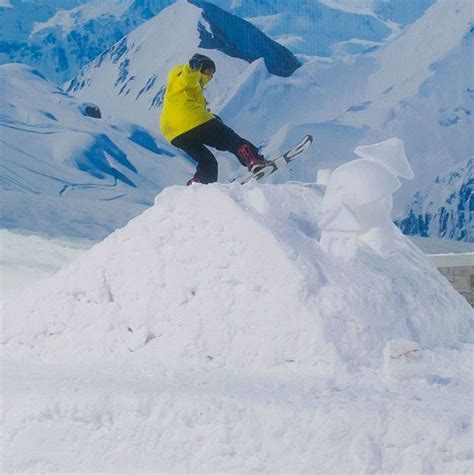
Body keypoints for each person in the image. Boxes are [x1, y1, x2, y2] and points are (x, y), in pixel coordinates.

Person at [160, 53, 268, 185]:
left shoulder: (177, 86)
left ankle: (198, 186)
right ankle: (254, 160)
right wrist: (193, 67)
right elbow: (188, 77)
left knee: (206, 160)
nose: (211, 76)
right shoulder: (188, 75)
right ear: (201, 68)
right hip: (191, 119)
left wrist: (211, 117)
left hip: (173, 132)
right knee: (231, 139)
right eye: (209, 71)